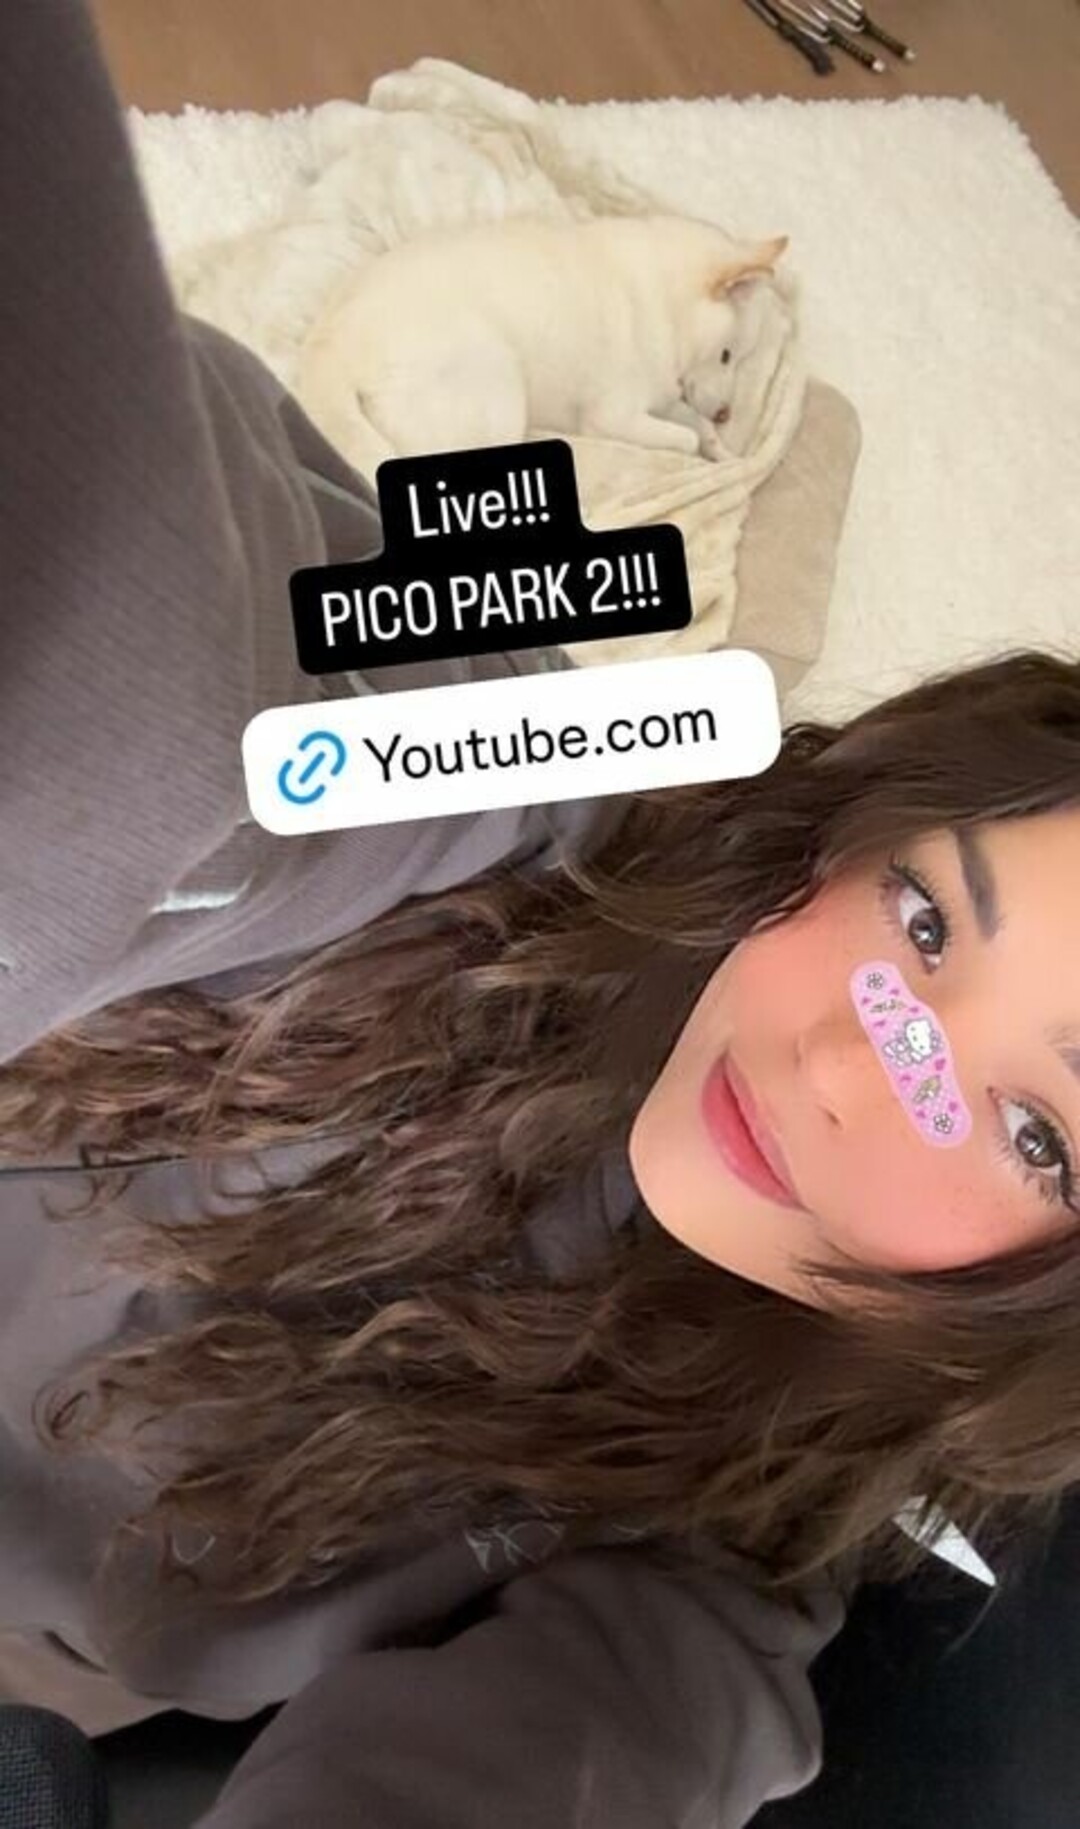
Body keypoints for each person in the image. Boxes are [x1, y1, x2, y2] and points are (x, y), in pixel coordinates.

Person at [3, 5, 1079, 1826]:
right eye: (919, 917)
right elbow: (224, 642)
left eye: (1036, 1128)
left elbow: (573, 1750)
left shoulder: (745, 1537)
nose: (842, 1065)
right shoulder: (537, 768)